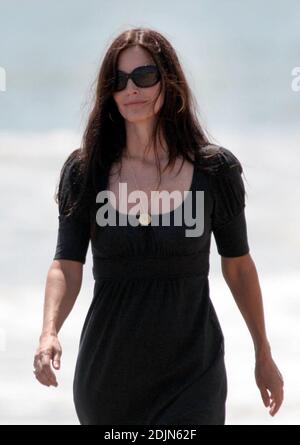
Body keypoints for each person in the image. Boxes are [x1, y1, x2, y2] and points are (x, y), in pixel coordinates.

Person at [33, 27, 284, 425]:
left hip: (193, 374)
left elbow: (238, 265)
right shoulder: (86, 172)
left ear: (168, 81)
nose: (131, 88)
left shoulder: (214, 171)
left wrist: (262, 353)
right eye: (119, 80)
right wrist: (49, 332)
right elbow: (66, 264)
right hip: (110, 376)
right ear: (109, 93)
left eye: (144, 76)